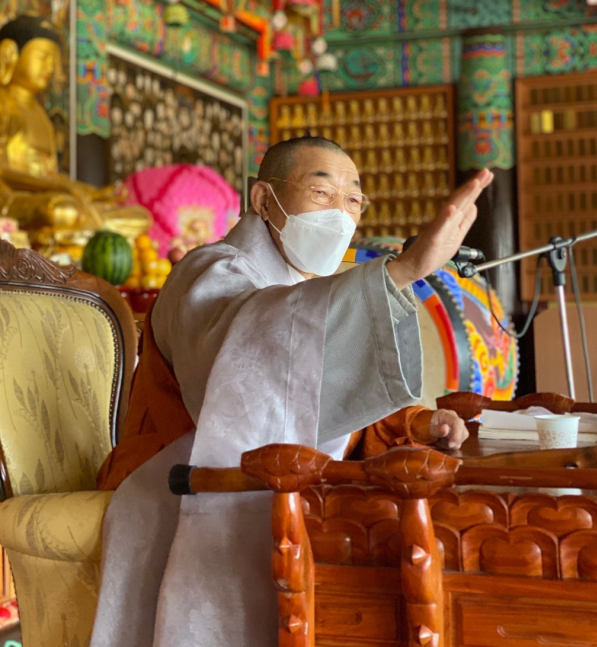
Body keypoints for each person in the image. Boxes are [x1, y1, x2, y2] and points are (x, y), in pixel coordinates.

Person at [91, 136, 492, 647]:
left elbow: (318, 393)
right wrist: (404, 271)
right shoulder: (211, 270)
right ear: (263, 200)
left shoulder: (310, 286)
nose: (341, 215)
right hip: (168, 474)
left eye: (353, 201)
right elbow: (251, 359)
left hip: (272, 472)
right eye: (322, 193)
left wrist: (415, 424)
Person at [0, 15, 150, 238]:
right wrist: (58, 188)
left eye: (53, 60)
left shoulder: (40, 115)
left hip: (48, 194)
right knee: (61, 210)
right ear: (10, 54)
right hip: (3, 197)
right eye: (43, 57)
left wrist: (96, 193)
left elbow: (51, 175)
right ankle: (76, 234)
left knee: (140, 216)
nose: (51, 67)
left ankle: (81, 234)